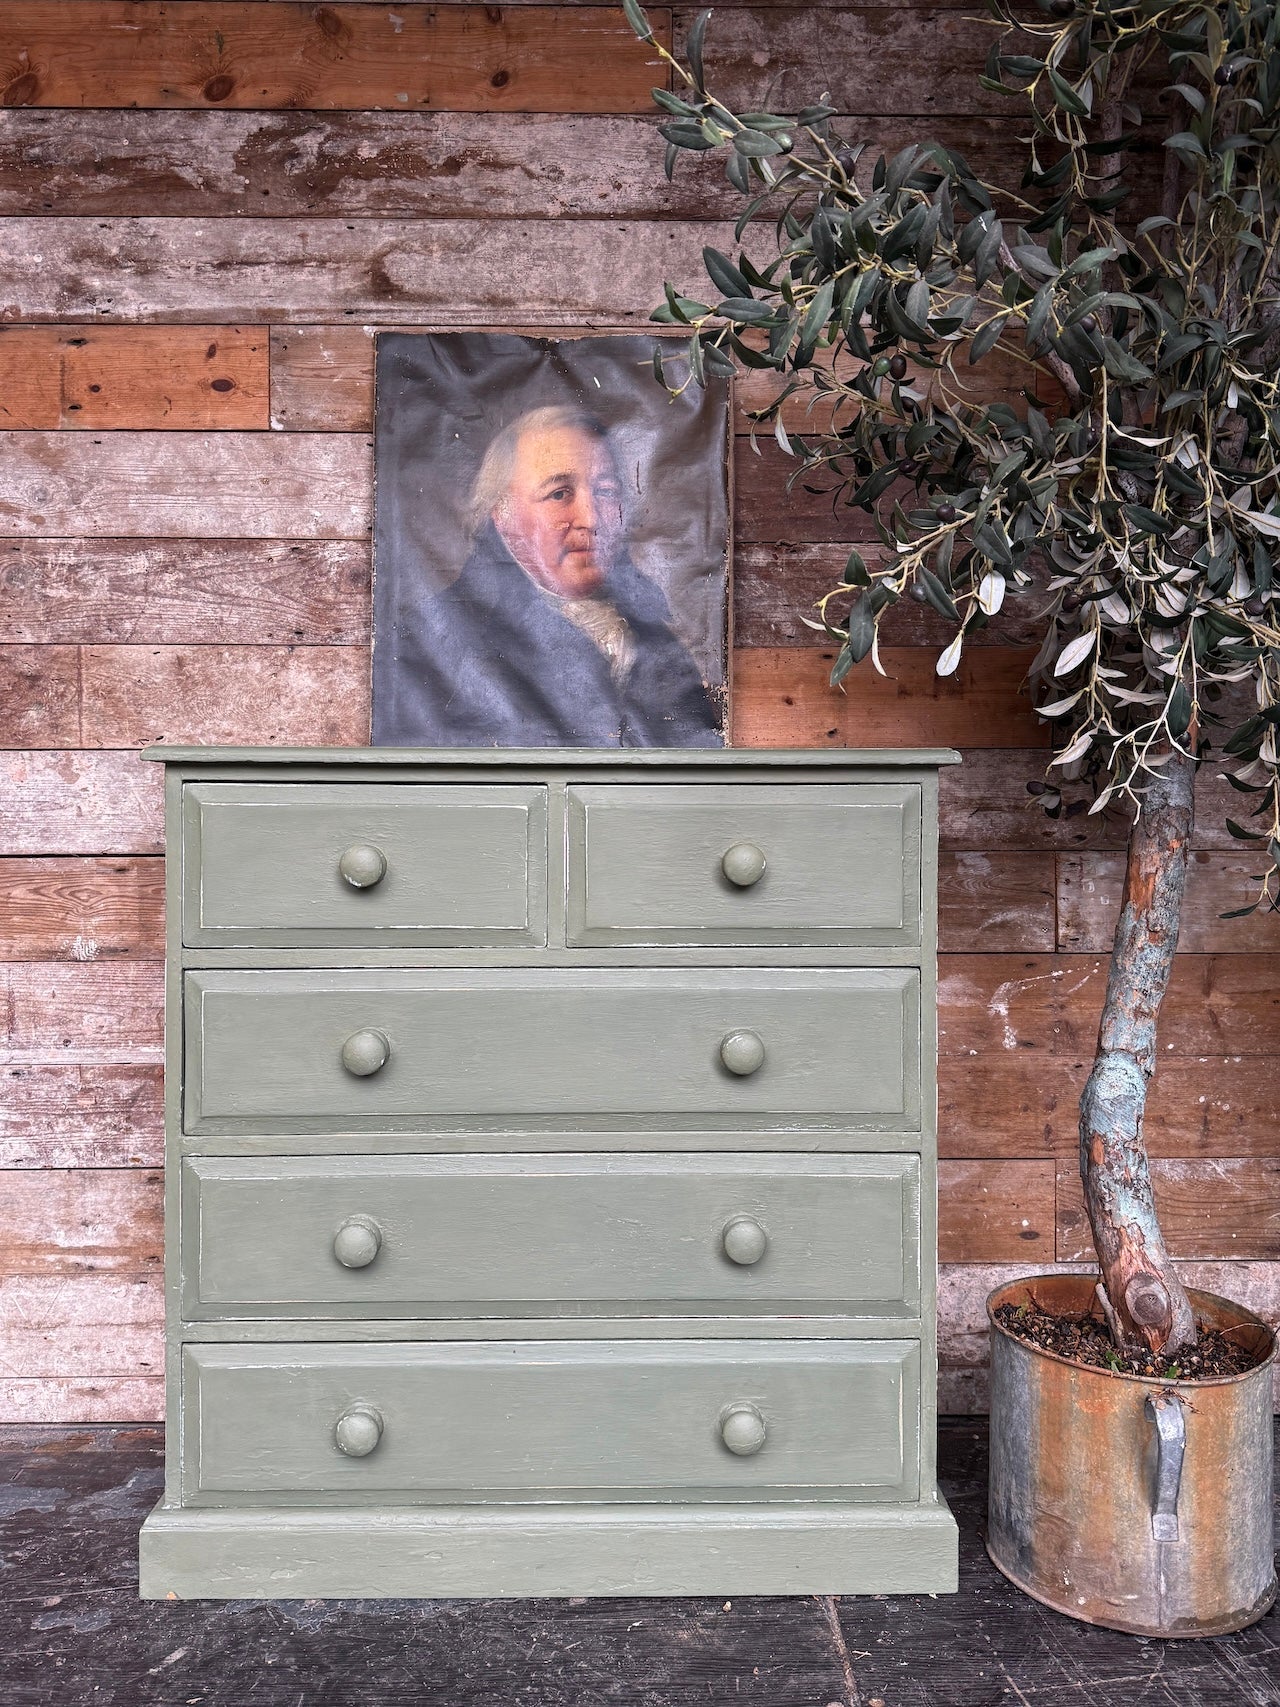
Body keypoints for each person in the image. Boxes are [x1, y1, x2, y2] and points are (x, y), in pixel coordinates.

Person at [375, 404, 724, 746]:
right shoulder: (430, 639)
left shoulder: (657, 640)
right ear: (502, 514)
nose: (591, 518)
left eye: (606, 492)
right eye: (559, 494)